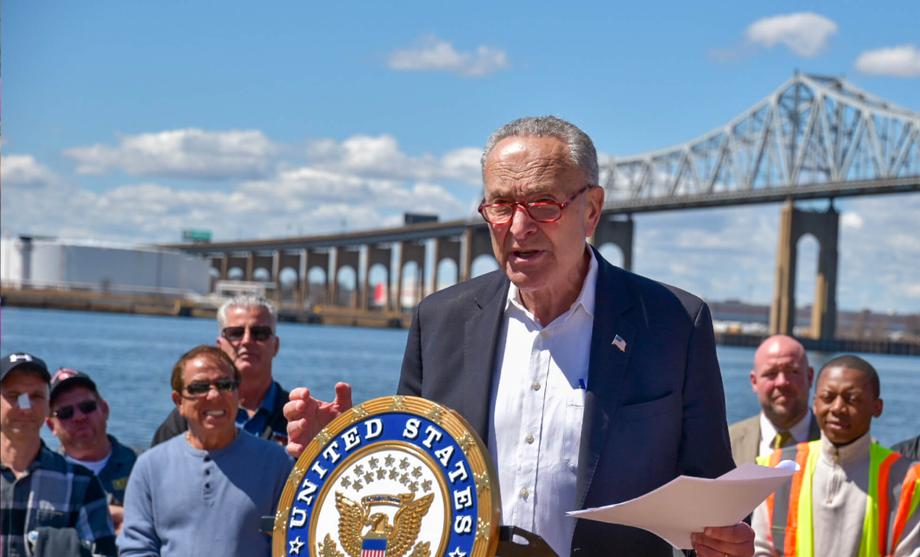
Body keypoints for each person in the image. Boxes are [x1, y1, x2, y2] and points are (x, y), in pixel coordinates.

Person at [284, 116, 754, 557]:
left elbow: (714, 494)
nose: (519, 227)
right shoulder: (440, 321)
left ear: (591, 211)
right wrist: (348, 449)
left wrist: (727, 539)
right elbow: (415, 475)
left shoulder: (674, 324)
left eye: (544, 206)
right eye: (501, 206)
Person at [119, 345, 292, 556]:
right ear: (178, 401)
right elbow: (137, 548)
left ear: (238, 394)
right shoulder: (149, 467)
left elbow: (289, 545)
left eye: (225, 385)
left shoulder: (277, 463)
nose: (214, 395)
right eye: (199, 387)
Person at [752, 355, 920, 556]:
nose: (838, 408)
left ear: (877, 407)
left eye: (852, 399)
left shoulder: (908, 479)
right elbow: (760, 550)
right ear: (815, 404)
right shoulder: (777, 468)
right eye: (828, 397)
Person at [1, 352, 116, 556]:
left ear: (47, 406)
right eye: (14, 396)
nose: (25, 408)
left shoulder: (81, 483)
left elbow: (103, 553)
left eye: (35, 396)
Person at [151, 295, 290, 446]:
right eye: (235, 333)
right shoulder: (189, 416)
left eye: (259, 333)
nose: (247, 341)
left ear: (275, 346)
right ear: (220, 347)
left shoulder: (298, 416)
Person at [45, 368, 137, 535]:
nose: (79, 417)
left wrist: (131, 520)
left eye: (87, 407)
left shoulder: (142, 465)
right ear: (51, 426)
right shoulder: (45, 474)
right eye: (66, 413)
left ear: (105, 409)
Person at [729, 335, 819, 466]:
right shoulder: (727, 443)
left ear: (810, 377)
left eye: (792, 371)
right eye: (771, 373)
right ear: (754, 381)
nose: (782, 382)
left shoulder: (836, 442)